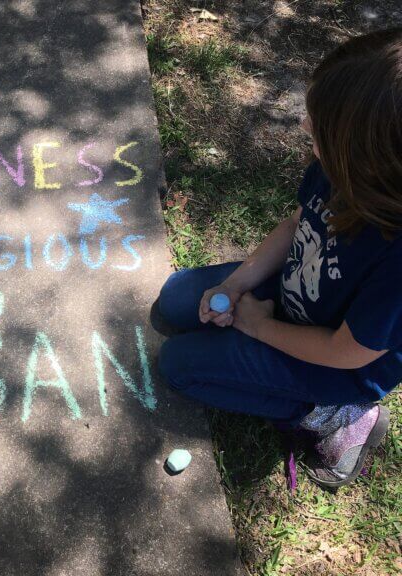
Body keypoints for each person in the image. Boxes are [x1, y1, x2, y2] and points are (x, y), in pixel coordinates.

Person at [154, 27, 402, 489]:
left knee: (179, 367)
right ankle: (260, 330)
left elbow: (343, 351)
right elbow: (295, 225)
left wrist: (256, 325)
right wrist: (236, 286)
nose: (305, 127)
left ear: (375, 158)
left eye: (320, 126)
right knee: (175, 298)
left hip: (332, 365)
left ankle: (338, 417)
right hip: (294, 299)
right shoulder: (340, 169)